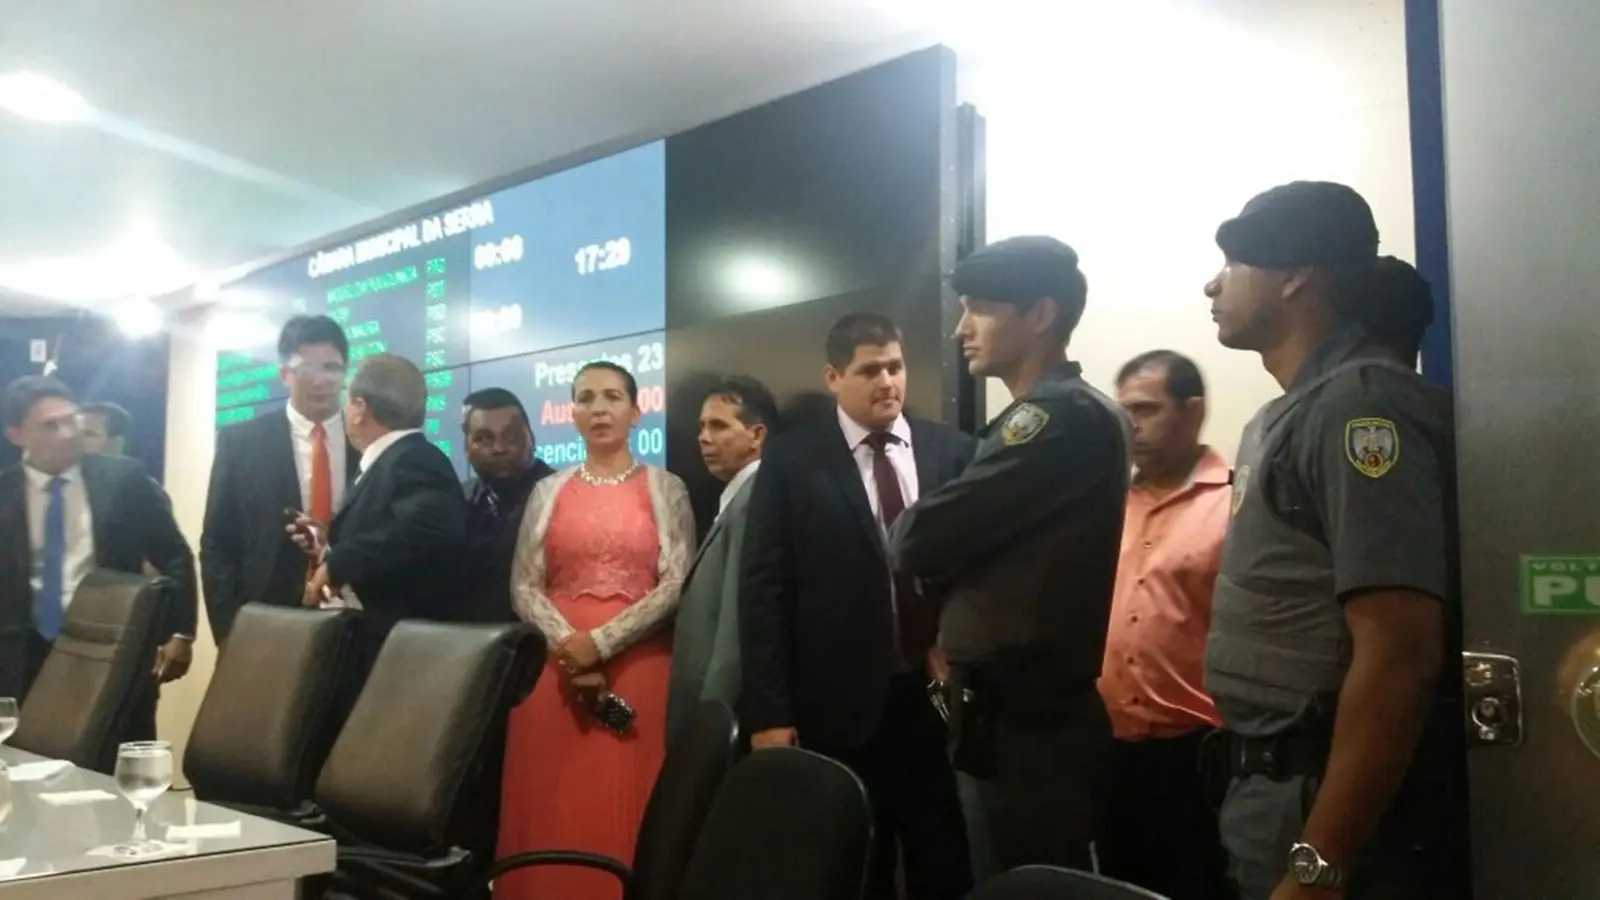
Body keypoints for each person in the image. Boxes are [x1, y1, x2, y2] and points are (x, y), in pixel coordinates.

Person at [1202, 181, 1460, 899]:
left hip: (1319, 793)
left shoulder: (1359, 407)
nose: (1213, 284)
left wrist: (1320, 865)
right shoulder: (1291, 414)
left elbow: (1400, 651)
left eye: (1234, 263)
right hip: (1269, 784)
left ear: (1294, 275)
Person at [887, 236, 1130, 880]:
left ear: (1040, 314)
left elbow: (914, 539)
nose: (961, 329)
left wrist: (940, 546)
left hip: (1029, 719)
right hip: (1012, 711)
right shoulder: (1048, 415)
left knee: (1025, 882)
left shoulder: (1056, 418)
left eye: (981, 309)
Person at [742, 312, 976, 900]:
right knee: (855, 865)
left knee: (943, 861)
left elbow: (976, 570)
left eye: (895, 367)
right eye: (870, 370)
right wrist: (770, 714)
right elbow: (764, 590)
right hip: (837, 705)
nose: (887, 382)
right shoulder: (794, 460)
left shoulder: (951, 451)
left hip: (933, 698)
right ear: (833, 377)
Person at [496, 361, 694, 900]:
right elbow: (523, 586)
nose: (598, 409)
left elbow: (676, 583)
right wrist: (571, 649)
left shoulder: (665, 488)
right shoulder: (548, 491)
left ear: (636, 411)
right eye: (585, 398)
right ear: (572, 412)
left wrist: (601, 644)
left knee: (627, 809)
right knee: (552, 809)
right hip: (553, 675)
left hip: (639, 671)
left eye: (611, 397)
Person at [1096, 350, 1232, 900]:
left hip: (1197, 754)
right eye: (1124, 412)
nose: (1132, 426)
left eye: (1146, 409)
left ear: (1192, 410)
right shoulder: (1107, 504)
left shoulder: (1236, 502)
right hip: (1108, 748)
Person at [0, 376, 198, 732]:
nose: (68, 433)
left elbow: (174, 554)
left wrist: (181, 633)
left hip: (112, 646)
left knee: (118, 750)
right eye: (50, 426)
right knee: (24, 756)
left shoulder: (123, 479)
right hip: (22, 654)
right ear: (16, 435)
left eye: (72, 420)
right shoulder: (5, 492)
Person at [290, 353, 466, 704]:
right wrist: (329, 546)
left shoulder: (414, 459)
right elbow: (392, 540)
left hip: (401, 660)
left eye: (347, 401)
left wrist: (339, 563)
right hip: (378, 652)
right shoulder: (388, 461)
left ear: (359, 408)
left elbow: (427, 527)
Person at [201, 315, 358, 642]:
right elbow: (218, 543)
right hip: (266, 626)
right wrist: (229, 632)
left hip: (355, 625)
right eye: (307, 368)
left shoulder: (366, 442)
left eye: (331, 368)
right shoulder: (240, 443)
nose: (320, 380)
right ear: (285, 373)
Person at [666, 374, 776, 741]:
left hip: (722, 714)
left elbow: (734, 627)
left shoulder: (752, 502)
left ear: (756, 435)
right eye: (701, 426)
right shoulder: (738, 498)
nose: (703, 437)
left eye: (719, 426)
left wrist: (711, 723)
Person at [460, 388, 555, 623]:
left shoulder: (561, 495)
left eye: (511, 437)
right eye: (484, 439)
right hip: (468, 637)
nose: (499, 448)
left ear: (531, 438)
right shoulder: (457, 500)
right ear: (466, 447)